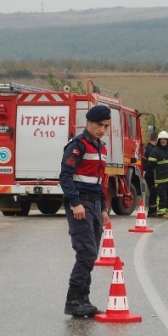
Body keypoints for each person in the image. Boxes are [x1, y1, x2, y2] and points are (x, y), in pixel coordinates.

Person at [59, 104, 111, 318]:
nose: (102, 130)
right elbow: (65, 176)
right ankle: (73, 301)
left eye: (106, 126)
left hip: (96, 204)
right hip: (80, 204)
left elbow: (99, 182)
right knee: (86, 252)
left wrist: (104, 208)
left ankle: (83, 299)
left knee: (92, 252)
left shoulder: (102, 148)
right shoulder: (77, 146)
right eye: (99, 125)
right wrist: (75, 203)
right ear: (88, 123)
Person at [148, 131, 168, 219]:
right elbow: (150, 166)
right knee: (162, 196)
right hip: (161, 179)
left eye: (165, 139)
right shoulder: (155, 151)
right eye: (162, 139)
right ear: (159, 140)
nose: (163, 141)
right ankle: (161, 213)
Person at [143, 130, 159, 217]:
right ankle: (152, 211)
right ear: (156, 139)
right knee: (153, 192)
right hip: (151, 174)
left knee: (153, 192)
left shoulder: (147, 148)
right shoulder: (151, 149)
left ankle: (153, 211)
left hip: (149, 173)